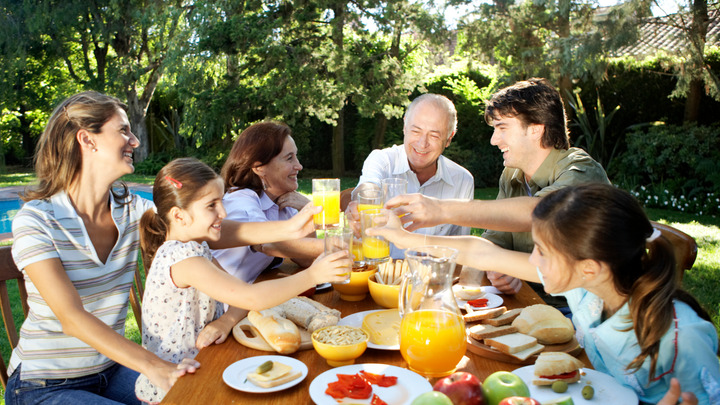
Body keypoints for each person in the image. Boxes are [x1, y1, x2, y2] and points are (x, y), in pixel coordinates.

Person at [6, 91, 323, 404]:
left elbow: (200, 225)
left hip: (112, 368)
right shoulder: (37, 221)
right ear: (87, 140)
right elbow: (71, 318)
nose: (135, 141)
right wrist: (157, 368)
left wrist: (292, 226)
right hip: (43, 384)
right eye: (123, 131)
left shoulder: (127, 207)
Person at [369, 183, 720, 404]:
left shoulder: (681, 338)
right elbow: (482, 252)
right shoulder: (586, 287)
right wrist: (406, 240)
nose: (532, 260)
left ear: (589, 266)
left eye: (542, 252)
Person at [135, 158, 350, 402]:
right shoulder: (183, 259)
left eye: (221, 202)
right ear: (179, 216)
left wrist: (226, 320)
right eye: (211, 205)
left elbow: (241, 295)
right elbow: (251, 297)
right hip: (175, 392)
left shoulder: (197, 247)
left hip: (202, 368)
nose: (223, 213)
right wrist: (313, 275)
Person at [385, 78, 609, 294]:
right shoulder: (512, 175)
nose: (494, 140)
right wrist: (501, 271)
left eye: (502, 128)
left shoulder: (582, 171)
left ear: (535, 129)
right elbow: (493, 241)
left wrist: (441, 210)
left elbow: (539, 212)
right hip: (527, 302)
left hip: (579, 312)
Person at [348, 93, 475, 258]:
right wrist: (362, 200)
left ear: (449, 138)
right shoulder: (382, 160)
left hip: (431, 280)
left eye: (434, 136)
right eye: (416, 131)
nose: (422, 143)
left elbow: (461, 251)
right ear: (405, 126)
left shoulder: (463, 181)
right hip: (378, 278)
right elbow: (368, 187)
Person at [213, 122, 323, 283]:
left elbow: (306, 260)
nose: (299, 166)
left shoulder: (284, 202)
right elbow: (269, 245)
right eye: (289, 158)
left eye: (296, 156)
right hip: (219, 303)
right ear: (259, 167)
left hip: (246, 298)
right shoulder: (241, 201)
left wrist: (304, 209)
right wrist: (344, 245)